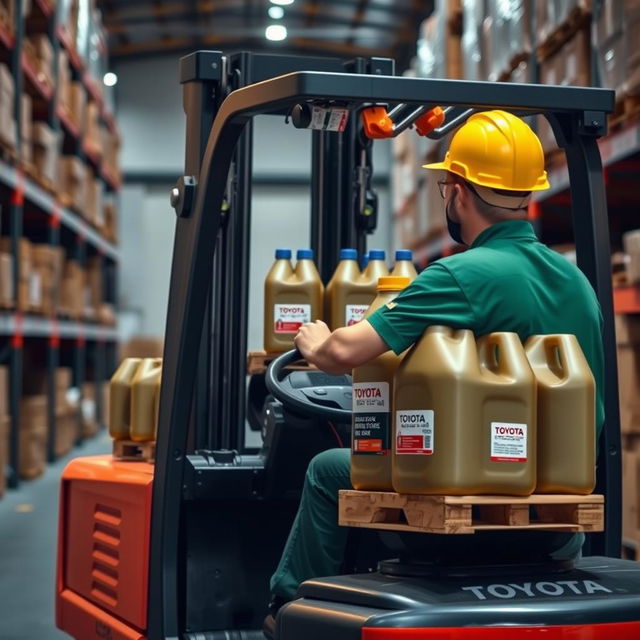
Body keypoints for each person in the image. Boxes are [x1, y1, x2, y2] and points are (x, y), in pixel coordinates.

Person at [263, 110, 605, 638]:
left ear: (458, 192)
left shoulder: (460, 275)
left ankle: (283, 613)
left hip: (476, 513)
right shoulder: (576, 279)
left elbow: (344, 353)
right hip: (558, 521)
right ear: (527, 193)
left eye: (445, 186)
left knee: (330, 468)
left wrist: (314, 340)